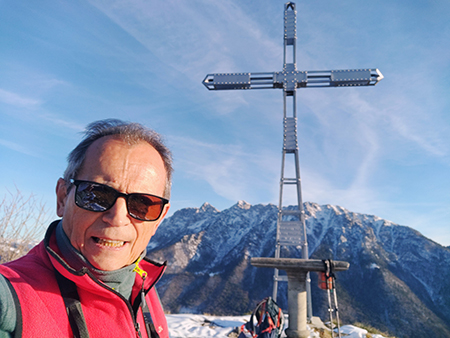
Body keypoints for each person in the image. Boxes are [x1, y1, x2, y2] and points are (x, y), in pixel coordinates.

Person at [0, 119, 173, 338]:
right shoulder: (10, 301)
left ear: (158, 219)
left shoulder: (142, 285)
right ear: (63, 198)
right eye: (96, 194)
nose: (117, 218)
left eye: (142, 205)